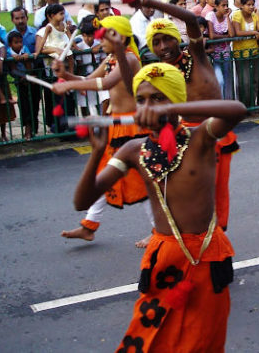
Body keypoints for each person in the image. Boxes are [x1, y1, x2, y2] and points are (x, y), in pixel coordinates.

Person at [72, 61, 246, 352]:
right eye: (141, 99)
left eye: (158, 97)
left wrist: (169, 110)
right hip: (163, 260)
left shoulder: (201, 138)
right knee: (149, 341)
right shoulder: (132, 150)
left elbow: (238, 110)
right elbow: (81, 201)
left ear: (177, 101)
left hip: (206, 255)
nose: (147, 106)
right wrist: (97, 153)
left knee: (201, 343)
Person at [122, 0, 239, 236]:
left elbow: (190, 19)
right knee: (176, 190)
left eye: (167, 39)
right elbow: (134, 87)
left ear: (177, 39)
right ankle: (168, 232)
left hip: (214, 132)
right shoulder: (159, 75)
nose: (163, 46)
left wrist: (151, 3)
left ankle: (214, 242)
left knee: (214, 193)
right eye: (157, 42)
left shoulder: (197, 57)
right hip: (182, 137)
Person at [54, 16, 146, 242]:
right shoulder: (111, 59)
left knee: (142, 180)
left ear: (120, 37)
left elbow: (104, 84)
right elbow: (88, 79)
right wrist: (65, 74)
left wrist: (70, 84)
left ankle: (159, 229)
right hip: (116, 126)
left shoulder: (130, 59)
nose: (99, 40)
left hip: (132, 126)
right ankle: (89, 225)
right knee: (103, 174)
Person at [231, 0, 259, 106]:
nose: (251, 7)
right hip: (241, 54)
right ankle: (244, 106)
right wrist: (254, 32)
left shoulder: (255, 15)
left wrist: (258, 13)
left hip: (254, 52)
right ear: (242, 5)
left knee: (255, 81)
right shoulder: (237, 15)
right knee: (244, 82)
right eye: (248, 5)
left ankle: (252, 105)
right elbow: (238, 32)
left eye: (252, 4)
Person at [206, 0, 234, 99]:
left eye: (227, 5)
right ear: (216, 6)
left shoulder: (227, 17)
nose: (226, 7)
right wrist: (225, 36)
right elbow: (212, 35)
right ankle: (220, 105)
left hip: (226, 54)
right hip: (214, 56)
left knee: (228, 81)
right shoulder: (211, 15)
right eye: (223, 5)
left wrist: (227, 17)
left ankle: (228, 104)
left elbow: (231, 34)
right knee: (220, 81)